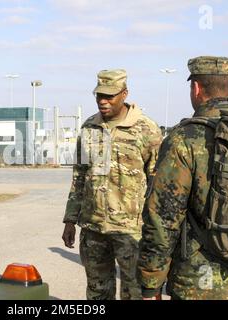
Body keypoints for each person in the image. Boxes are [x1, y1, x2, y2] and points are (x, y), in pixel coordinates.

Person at [137, 56, 228, 300]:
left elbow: (163, 218)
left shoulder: (186, 138)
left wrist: (151, 284)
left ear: (196, 88)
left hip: (201, 284)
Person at [62, 69, 163, 300]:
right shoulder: (89, 127)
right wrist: (70, 220)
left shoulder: (146, 129)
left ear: (124, 94)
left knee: (135, 293)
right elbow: (79, 176)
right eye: (99, 96)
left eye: (110, 96)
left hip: (131, 231)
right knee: (97, 293)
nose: (103, 101)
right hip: (93, 228)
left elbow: (157, 184)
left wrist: (157, 232)